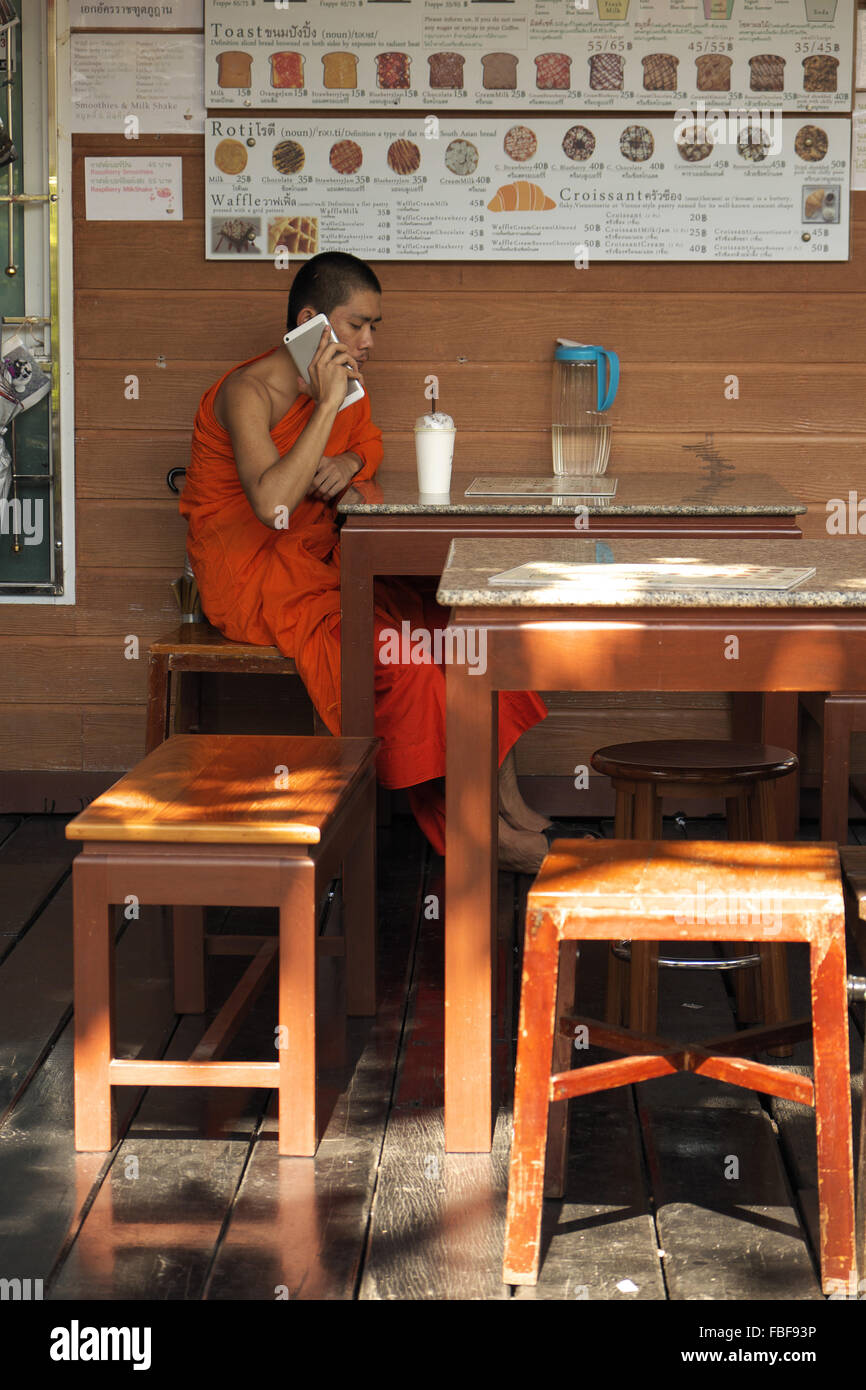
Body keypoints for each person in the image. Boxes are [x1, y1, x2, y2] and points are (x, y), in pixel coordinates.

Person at [180, 251, 551, 870]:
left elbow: (369, 446)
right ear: (310, 322)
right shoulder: (247, 393)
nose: (370, 341)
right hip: (257, 579)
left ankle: (505, 802)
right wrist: (324, 408)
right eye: (357, 325)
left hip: (327, 558)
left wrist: (348, 463)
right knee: (404, 664)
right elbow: (272, 503)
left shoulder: (346, 389)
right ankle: (479, 837)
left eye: (375, 327)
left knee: (456, 628)